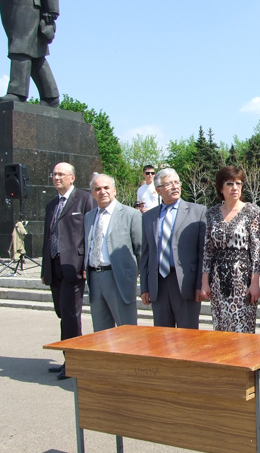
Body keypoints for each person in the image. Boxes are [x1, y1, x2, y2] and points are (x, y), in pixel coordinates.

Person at [41, 162, 95, 380]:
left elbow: (91, 233)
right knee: (62, 313)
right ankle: (68, 357)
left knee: (71, 314)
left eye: (61, 174)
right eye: (54, 174)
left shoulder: (84, 199)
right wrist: (45, 268)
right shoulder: (51, 205)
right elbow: (48, 237)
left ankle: (74, 362)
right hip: (54, 266)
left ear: (72, 178)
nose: (56, 178)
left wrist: (86, 264)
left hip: (74, 266)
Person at [140, 168, 206, 329]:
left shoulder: (197, 211)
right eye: (169, 184)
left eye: (177, 182)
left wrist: (200, 284)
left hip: (186, 283)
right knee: (162, 336)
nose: (175, 186)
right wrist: (145, 287)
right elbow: (146, 254)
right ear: (158, 190)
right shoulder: (149, 217)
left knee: (188, 336)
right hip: (159, 284)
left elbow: (203, 253)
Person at [200, 166, 260, 333]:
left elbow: (257, 250)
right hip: (218, 280)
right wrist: (205, 282)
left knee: (242, 330)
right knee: (221, 330)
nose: (235, 188)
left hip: (242, 280)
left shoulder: (251, 211)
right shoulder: (212, 213)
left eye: (238, 183)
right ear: (221, 188)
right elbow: (208, 251)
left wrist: (255, 283)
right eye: (229, 183)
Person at [0, 0, 60, 107]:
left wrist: (51, 10)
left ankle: (17, 91)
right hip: (12, 6)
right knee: (32, 51)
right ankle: (50, 95)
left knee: (20, 46)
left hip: (29, 4)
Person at [83, 173, 143, 332]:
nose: (102, 192)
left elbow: (141, 250)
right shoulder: (89, 216)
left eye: (106, 187)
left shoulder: (131, 214)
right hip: (95, 278)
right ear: (92, 194)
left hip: (119, 279)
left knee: (126, 332)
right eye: (97, 189)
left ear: (114, 190)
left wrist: (131, 274)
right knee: (101, 333)